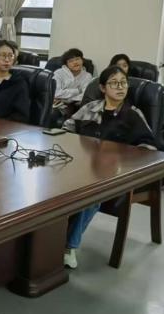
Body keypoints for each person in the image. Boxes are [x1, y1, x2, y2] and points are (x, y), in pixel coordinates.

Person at [62, 66, 158, 269]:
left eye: (123, 83)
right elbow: (68, 127)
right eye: (114, 83)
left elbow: (149, 147)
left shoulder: (132, 115)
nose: (120, 87)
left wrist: (123, 160)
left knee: (91, 195)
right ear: (103, 88)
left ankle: (68, 247)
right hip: (82, 167)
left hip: (113, 175)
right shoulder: (90, 108)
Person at [51, 48, 94, 126]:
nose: (75, 62)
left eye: (77, 59)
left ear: (82, 60)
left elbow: (84, 96)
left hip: (74, 106)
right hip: (56, 105)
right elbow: (56, 93)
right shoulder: (58, 73)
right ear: (66, 64)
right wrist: (77, 91)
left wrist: (65, 99)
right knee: (52, 114)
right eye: (71, 61)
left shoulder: (87, 76)